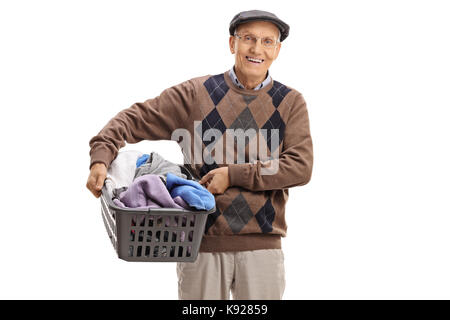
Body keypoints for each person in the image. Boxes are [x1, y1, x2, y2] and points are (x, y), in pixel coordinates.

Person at [86, 10, 313, 300]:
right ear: (233, 44)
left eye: (268, 42)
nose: (257, 49)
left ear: (277, 50)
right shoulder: (197, 94)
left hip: (263, 247)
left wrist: (233, 175)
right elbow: (133, 118)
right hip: (198, 243)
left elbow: (300, 167)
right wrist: (100, 157)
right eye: (248, 39)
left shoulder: (290, 102)